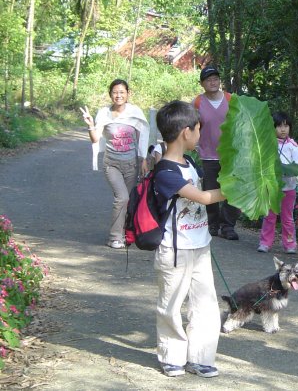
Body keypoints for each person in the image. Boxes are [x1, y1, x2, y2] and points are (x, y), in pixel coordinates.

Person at [153, 100, 226, 378]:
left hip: (200, 245)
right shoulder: (166, 172)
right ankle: (172, 356)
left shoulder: (190, 162)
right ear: (186, 132)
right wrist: (237, 189)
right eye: (198, 130)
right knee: (171, 305)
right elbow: (205, 197)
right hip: (174, 250)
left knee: (205, 304)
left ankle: (201, 357)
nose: (200, 135)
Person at [80, 79, 149, 249]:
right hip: (112, 164)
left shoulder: (135, 112)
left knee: (129, 200)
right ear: (110, 94)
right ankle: (115, 237)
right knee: (122, 198)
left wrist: (143, 159)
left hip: (131, 165)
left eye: (122, 92)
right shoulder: (103, 113)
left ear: (128, 93)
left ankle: (127, 233)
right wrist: (90, 125)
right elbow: (96, 139)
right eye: (115, 92)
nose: (118, 95)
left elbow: (143, 136)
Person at [192, 65, 241, 240]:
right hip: (208, 154)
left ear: (219, 81)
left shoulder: (231, 99)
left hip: (231, 155)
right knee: (210, 190)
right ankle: (211, 224)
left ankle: (228, 226)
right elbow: (192, 125)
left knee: (232, 190)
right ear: (202, 83)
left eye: (215, 79)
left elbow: (241, 124)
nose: (212, 82)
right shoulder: (197, 102)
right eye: (208, 80)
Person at [258, 111, 298, 254]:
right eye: (279, 126)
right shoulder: (268, 144)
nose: (283, 129)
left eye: (286, 126)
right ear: (273, 128)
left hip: (289, 187)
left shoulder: (293, 146)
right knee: (269, 216)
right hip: (272, 187)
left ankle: (290, 244)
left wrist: (296, 177)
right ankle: (265, 243)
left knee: (288, 217)